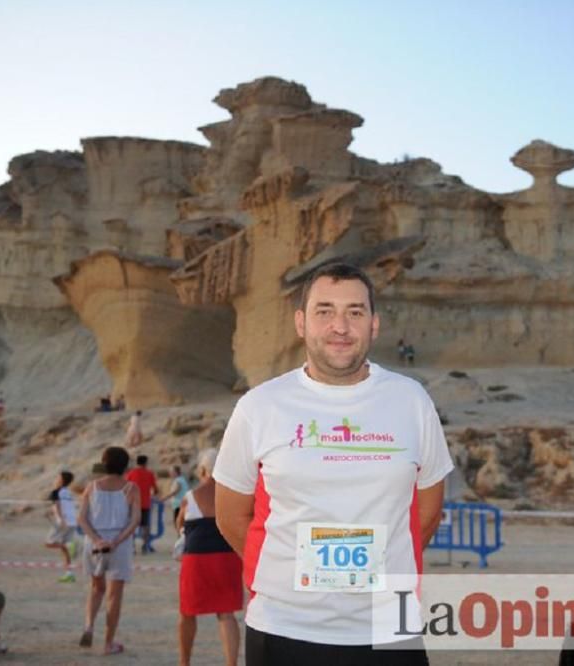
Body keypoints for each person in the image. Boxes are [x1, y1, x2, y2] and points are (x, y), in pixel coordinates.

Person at [214, 262, 453, 665]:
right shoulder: (259, 406)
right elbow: (230, 516)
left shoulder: (412, 401)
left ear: (374, 324)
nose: (340, 326)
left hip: (390, 630)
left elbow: (427, 513)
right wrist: (288, 577)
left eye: (354, 312)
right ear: (301, 323)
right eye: (324, 311)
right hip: (284, 628)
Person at [177, 449, 242, 666]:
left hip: (196, 559)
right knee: (226, 614)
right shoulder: (234, 495)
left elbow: (180, 525)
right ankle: (231, 663)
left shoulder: (190, 497)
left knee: (188, 613)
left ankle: (184, 662)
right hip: (227, 557)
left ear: (203, 469)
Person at [78, 446, 140, 655]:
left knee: (96, 588)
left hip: (93, 543)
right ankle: (108, 643)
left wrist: (96, 539)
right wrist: (115, 541)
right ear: (125, 466)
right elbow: (134, 521)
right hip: (119, 544)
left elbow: (82, 518)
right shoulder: (131, 488)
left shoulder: (92, 486)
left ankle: (88, 625)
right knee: (114, 596)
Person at [44, 471, 78, 583]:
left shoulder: (55, 492)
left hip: (63, 522)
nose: (55, 479)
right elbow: (65, 506)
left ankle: (70, 545)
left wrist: (60, 518)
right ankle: (69, 574)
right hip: (72, 521)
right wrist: (50, 512)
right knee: (64, 550)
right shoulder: (68, 492)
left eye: (57, 477)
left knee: (49, 543)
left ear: (61, 480)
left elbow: (58, 505)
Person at [124, 454, 158, 553]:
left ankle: (132, 547)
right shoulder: (149, 474)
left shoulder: (131, 473)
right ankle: (145, 546)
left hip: (133, 503)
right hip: (145, 504)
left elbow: (125, 487)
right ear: (146, 463)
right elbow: (155, 489)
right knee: (145, 525)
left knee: (131, 525)